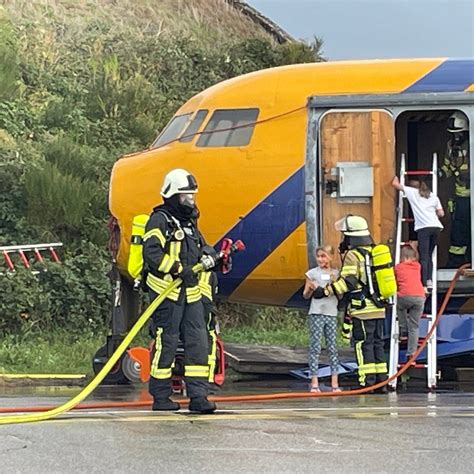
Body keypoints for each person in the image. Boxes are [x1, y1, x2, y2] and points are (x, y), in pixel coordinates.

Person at [142, 168, 217, 414]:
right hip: (167, 294)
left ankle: (198, 396)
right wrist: (176, 268)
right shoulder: (159, 220)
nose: (190, 201)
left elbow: (201, 246)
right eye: (186, 196)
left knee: (199, 343)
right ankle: (161, 397)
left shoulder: (189, 223)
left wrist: (209, 253)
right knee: (168, 343)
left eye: (192, 196)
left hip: (191, 293)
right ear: (173, 195)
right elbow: (152, 253)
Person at [326, 215, 388, 391]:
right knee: (377, 343)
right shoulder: (374, 252)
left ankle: (366, 382)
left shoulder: (354, 255)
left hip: (362, 310)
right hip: (379, 308)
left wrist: (326, 290)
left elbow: (349, 282)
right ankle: (381, 382)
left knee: (363, 344)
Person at [392, 176, 444, 290]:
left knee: (424, 257)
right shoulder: (433, 196)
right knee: (429, 255)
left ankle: (424, 283)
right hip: (436, 227)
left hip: (424, 228)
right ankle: (429, 280)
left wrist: (395, 177)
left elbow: (395, 184)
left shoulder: (412, 192)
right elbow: (441, 214)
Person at [302, 245, 341, 393]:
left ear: (330, 257)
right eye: (318, 256)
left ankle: (335, 382)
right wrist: (310, 289)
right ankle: (314, 381)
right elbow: (305, 295)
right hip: (316, 312)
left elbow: (341, 295)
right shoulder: (311, 274)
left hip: (331, 313)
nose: (320, 259)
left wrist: (334, 285)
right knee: (315, 347)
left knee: (332, 347)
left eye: (323, 256)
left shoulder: (336, 274)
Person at [439, 111, 471, 267]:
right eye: (453, 134)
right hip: (461, 198)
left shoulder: (471, 144)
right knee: (458, 233)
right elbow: (448, 167)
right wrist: (439, 173)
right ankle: (455, 264)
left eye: (459, 134)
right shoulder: (450, 146)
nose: (456, 137)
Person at [394, 245, 426, 362]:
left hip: (405, 296)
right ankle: (411, 353)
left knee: (399, 307)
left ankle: (403, 329)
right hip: (419, 297)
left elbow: (395, 281)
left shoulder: (398, 268)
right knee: (415, 326)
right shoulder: (418, 266)